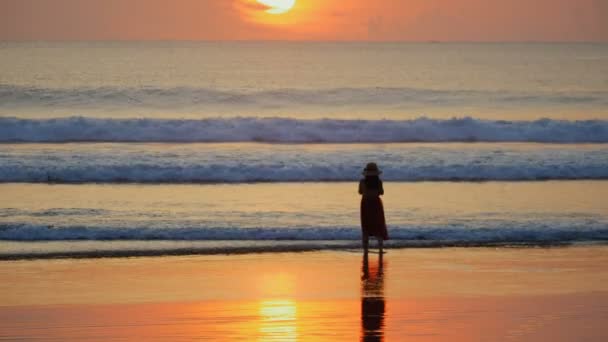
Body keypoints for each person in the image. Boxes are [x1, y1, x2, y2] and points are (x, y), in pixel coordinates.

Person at [359, 162, 389, 255]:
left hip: (365, 203)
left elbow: (360, 192)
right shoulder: (379, 182)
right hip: (376, 203)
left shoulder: (362, 182)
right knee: (378, 225)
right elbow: (381, 192)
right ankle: (380, 249)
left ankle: (365, 249)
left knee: (366, 226)